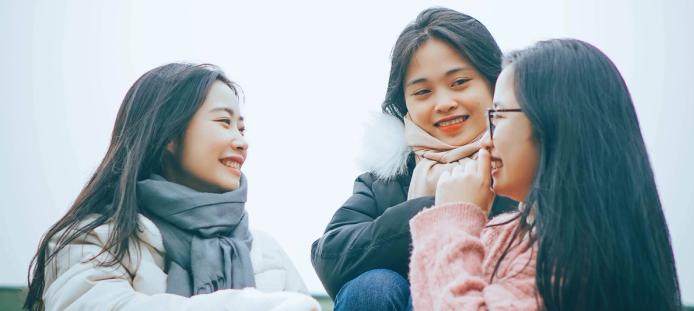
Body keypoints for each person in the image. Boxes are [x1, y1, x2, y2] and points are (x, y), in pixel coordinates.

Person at [409, 39, 681, 310]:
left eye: (499, 116)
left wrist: (453, 221)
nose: (485, 142)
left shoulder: (574, 257)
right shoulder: (509, 233)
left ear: (554, 123)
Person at [25, 63, 320, 311]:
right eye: (223, 122)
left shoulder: (266, 251)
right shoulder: (95, 241)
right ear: (168, 136)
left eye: (241, 128)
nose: (241, 141)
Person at [310, 7, 516, 310]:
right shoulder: (386, 178)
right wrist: (438, 209)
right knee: (373, 287)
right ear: (403, 103)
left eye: (459, 82)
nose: (444, 103)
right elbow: (330, 256)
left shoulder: (525, 169)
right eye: (423, 91)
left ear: (493, 84)